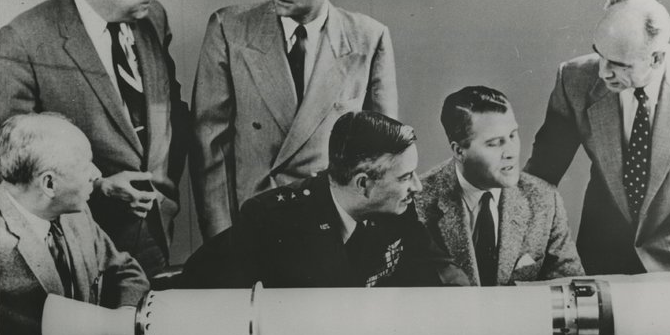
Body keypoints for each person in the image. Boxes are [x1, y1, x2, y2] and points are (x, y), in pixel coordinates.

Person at [0, 0, 189, 277]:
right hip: (82, 243)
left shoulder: (153, 18)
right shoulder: (23, 41)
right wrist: (98, 186)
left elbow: (170, 112)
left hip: (156, 228)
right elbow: (13, 166)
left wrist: (166, 189)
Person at [190, 0, 398, 240]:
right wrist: (221, 237)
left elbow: (382, 151)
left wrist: (370, 235)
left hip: (334, 224)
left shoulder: (368, 38)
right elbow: (209, 147)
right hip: (253, 220)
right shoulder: (229, 29)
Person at [525, 0, 670, 274]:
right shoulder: (573, 78)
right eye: (600, 55)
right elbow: (539, 177)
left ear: (657, 58)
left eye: (619, 65)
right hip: (601, 249)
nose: (602, 72)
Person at [183, 111, 468, 289]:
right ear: (363, 184)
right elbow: (202, 286)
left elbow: (443, 272)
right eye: (405, 177)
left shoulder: (397, 210)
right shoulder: (272, 221)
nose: (417, 186)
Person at [0, 113, 148, 335]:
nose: (96, 173)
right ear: (49, 184)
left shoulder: (74, 212)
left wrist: (122, 320)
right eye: (84, 165)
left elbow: (124, 270)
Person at [416, 86, 583, 286]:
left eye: (513, 135)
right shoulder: (417, 202)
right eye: (495, 143)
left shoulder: (544, 199)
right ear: (459, 151)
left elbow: (571, 289)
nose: (511, 152)